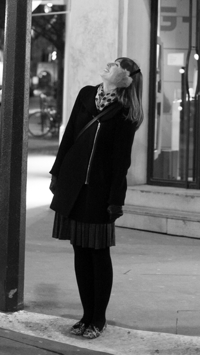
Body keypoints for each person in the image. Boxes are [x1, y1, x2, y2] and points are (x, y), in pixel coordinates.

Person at [49, 57, 143, 341]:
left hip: (98, 191)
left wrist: (116, 200)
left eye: (116, 65)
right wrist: (56, 173)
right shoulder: (86, 94)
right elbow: (69, 136)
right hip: (74, 186)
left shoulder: (125, 112)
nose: (108, 65)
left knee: (98, 254)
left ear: (126, 78)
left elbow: (120, 162)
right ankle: (85, 314)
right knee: (79, 249)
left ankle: (98, 318)